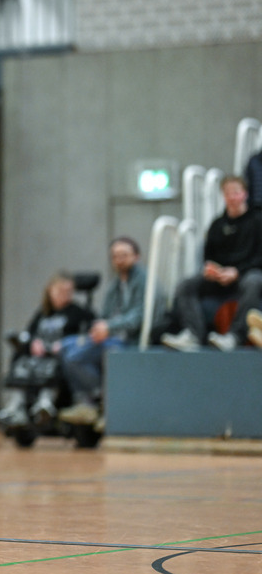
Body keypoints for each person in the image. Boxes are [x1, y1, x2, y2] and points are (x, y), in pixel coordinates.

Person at [161, 175, 262, 351]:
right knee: (186, 285)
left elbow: (259, 257)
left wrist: (237, 271)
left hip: (246, 274)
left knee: (254, 280)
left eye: (236, 192)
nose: (232, 197)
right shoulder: (217, 224)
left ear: (245, 194)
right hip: (220, 278)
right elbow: (209, 256)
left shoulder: (258, 221)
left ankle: (235, 337)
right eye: (228, 193)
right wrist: (212, 269)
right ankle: (193, 335)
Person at [58, 237, 147, 426]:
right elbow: (104, 316)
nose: (119, 260)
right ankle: (87, 400)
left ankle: (95, 399)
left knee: (74, 357)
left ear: (137, 257)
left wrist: (109, 328)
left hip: (129, 340)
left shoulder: (145, 282)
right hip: (110, 337)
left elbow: (140, 316)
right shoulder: (115, 286)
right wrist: (98, 329)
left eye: (124, 255)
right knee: (65, 346)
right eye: (115, 256)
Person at [0, 272, 94, 427]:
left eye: (68, 292)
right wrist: (33, 343)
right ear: (50, 291)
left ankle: (45, 404)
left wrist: (64, 344)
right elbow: (30, 333)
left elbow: (88, 335)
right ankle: (15, 406)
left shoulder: (78, 313)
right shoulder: (43, 313)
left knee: (50, 367)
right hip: (37, 357)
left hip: (58, 357)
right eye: (60, 291)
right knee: (21, 359)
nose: (64, 295)